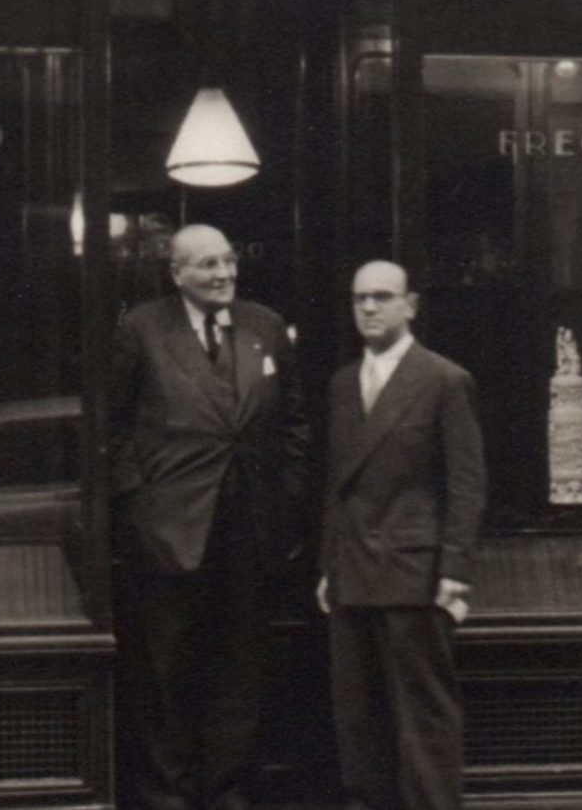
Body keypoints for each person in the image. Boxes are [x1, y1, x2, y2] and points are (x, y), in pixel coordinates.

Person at [106, 224, 308, 810]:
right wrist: (138, 507)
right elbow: (113, 430)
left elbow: (294, 423)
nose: (223, 274)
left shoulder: (264, 326)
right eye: (206, 266)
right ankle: (166, 794)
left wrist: (287, 498)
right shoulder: (142, 329)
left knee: (240, 668)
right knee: (167, 671)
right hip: (171, 533)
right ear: (177, 274)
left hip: (250, 532)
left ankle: (225, 789)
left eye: (228, 261)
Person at [315, 260, 486, 810]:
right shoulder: (344, 384)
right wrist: (328, 565)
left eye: (383, 297)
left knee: (423, 718)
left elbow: (466, 483)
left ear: (410, 305)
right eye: (360, 297)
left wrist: (454, 571)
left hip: (415, 575)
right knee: (357, 721)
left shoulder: (443, 379)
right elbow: (336, 483)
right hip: (352, 573)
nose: (368, 307)